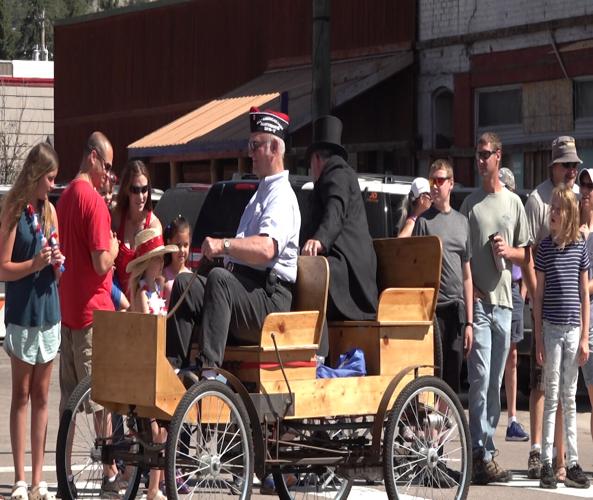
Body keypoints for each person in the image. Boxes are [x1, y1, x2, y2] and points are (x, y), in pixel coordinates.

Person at [166, 107, 300, 370]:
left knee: (220, 280)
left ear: (274, 148)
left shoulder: (282, 196)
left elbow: (266, 249)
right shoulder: (260, 193)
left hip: (270, 301)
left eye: (255, 145)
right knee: (184, 283)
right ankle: (173, 370)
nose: (249, 152)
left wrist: (224, 245)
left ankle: (208, 373)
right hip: (247, 290)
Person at [460, 132, 530, 485]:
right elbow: (464, 260)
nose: (480, 160)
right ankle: (478, 452)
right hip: (482, 304)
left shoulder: (514, 204)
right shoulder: (469, 205)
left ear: (498, 157)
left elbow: (527, 255)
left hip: (507, 303)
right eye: (477, 154)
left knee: (495, 384)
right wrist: (469, 312)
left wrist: (509, 252)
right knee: (481, 378)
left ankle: (485, 450)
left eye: (486, 154)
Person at [56, 131, 122, 495]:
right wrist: (113, 246)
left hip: (69, 314)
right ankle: (111, 471)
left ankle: (65, 477)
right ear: (92, 157)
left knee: (69, 406)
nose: (108, 174)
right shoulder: (93, 202)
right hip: (93, 316)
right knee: (103, 404)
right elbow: (100, 263)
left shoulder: (64, 198)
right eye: (107, 165)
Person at [0, 143, 64, 500]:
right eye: (50, 178)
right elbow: (3, 268)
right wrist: (34, 265)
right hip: (23, 314)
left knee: (42, 396)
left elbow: (56, 271)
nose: (53, 185)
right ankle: (20, 479)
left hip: (48, 311)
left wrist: (55, 262)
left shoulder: (49, 211)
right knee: (21, 395)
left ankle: (40, 478)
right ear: (36, 175)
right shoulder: (13, 209)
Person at [524, 135, 581, 479]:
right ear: (553, 165)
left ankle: (564, 461)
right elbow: (529, 254)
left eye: (576, 164)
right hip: (545, 308)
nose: (573, 170)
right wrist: (535, 304)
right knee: (542, 385)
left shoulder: (574, 198)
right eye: (567, 164)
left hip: (571, 314)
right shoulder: (537, 200)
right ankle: (538, 453)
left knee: (567, 394)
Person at [301, 114, 378, 357]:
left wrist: (319, 240)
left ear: (316, 158)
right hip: (342, 264)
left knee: (312, 279)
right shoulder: (330, 178)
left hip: (351, 272)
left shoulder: (337, 174)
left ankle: (318, 356)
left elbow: (335, 211)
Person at [534, 185, 590, 489]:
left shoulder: (580, 247)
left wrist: (584, 337)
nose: (552, 212)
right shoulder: (543, 248)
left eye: (557, 208)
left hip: (573, 330)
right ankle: (546, 461)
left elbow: (584, 293)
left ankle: (572, 462)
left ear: (568, 214)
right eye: (551, 207)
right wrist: (539, 339)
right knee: (552, 393)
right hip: (552, 329)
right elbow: (539, 296)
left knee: (570, 397)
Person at [412, 159, 473, 393]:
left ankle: (447, 423)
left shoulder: (462, 222)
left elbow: (467, 275)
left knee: (453, 375)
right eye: (432, 181)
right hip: (433, 310)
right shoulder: (424, 222)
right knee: (432, 373)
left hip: (456, 309)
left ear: (451, 184)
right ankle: (431, 425)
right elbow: (416, 268)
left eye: (440, 180)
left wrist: (469, 322)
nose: (435, 186)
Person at [126, 228, 177, 500]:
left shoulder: (157, 289)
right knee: (157, 428)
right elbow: (147, 327)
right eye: (157, 259)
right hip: (146, 364)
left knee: (164, 429)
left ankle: (157, 487)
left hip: (158, 360)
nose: (161, 263)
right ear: (147, 263)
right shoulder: (142, 293)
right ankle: (153, 487)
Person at [498, 167, 530, 443]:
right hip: (494, 288)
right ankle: (491, 418)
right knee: (494, 354)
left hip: (514, 288)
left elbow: (526, 254)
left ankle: (512, 418)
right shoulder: (489, 211)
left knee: (512, 355)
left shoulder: (517, 213)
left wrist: (523, 288)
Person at [111, 159, 162, 298]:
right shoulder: (116, 218)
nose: (141, 196)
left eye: (144, 189)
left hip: (142, 304)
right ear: (127, 190)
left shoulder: (154, 226)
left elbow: (156, 274)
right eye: (135, 190)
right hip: (116, 302)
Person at [577, 167, 593, 454]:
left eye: (592, 187)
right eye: (584, 187)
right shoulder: (575, 230)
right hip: (572, 321)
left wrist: (581, 288)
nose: (587, 192)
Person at [162, 216, 192, 308]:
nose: (182, 250)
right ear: (169, 242)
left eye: (185, 245)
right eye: (178, 245)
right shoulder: (163, 275)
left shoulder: (191, 277)